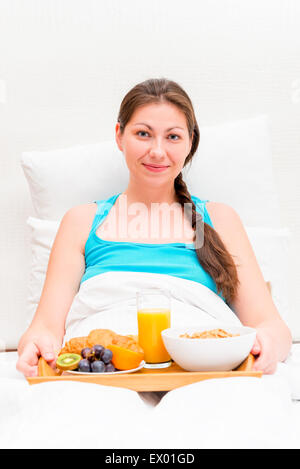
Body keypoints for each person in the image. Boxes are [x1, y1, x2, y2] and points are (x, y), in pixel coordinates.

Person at [16, 77, 292, 379]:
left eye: (172, 137)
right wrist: (37, 346)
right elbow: (45, 327)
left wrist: (268, 345)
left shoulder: (219, 219)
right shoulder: (81, 221)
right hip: (105, 373)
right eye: (143, 134)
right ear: (120, 136)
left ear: (190, 143)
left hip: (199, 371)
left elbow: (271, 326)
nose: (157, 151)